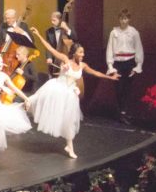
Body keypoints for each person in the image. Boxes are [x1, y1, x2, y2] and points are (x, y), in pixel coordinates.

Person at [29, 27, 119, 158]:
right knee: (35, 100)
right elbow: (50, 49)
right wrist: (38, 35)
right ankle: (25, 103)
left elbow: (96, 73)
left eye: (83, 53)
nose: (83, 55)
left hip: (70, 95)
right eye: (80, 53)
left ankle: (69, 147)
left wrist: (110, 77)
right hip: (57, 89)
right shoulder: (65, 59)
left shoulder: (83, 65)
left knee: (69, 121)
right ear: (74, 53)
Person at [106, 8, 144, 124]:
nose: (123, 21)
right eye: (122, 18)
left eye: (126, 18)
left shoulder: (134, 32)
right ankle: (121, 111)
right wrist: (110, 65)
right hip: (118, 62)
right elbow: (110, 48)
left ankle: (124, 112)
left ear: (129, 19)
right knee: (118, 88)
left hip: (129, 62)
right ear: (119, 19)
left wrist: (138, 65)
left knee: (127, 89)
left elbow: (139, 48)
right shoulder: (114, 32)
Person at [45, 12, 73, 77]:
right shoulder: (49, 32)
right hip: (55, 59)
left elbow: (74, 38)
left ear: (60, 20)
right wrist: (49, 57)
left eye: (54, 20)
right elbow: (48, 46)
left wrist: (67, 29)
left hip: (66, 58)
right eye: (51, 20)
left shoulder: (66, 29)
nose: (52, 22)